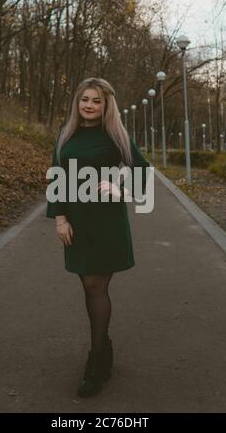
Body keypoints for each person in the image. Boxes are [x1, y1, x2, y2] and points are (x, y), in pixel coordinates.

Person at [46, 77, 150, 397]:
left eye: (96, 101)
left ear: (106, 105)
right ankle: (104, 346)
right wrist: (60, 219)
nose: (89, 105)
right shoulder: (66, 136)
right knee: (86, 285)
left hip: (107, 224)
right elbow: (56, 176)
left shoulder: (115, 135)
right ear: (78, 103)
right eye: (84, 100)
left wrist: (121, 189)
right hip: (77, 224)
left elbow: (142, 173)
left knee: (95, 286)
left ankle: (96, 362)